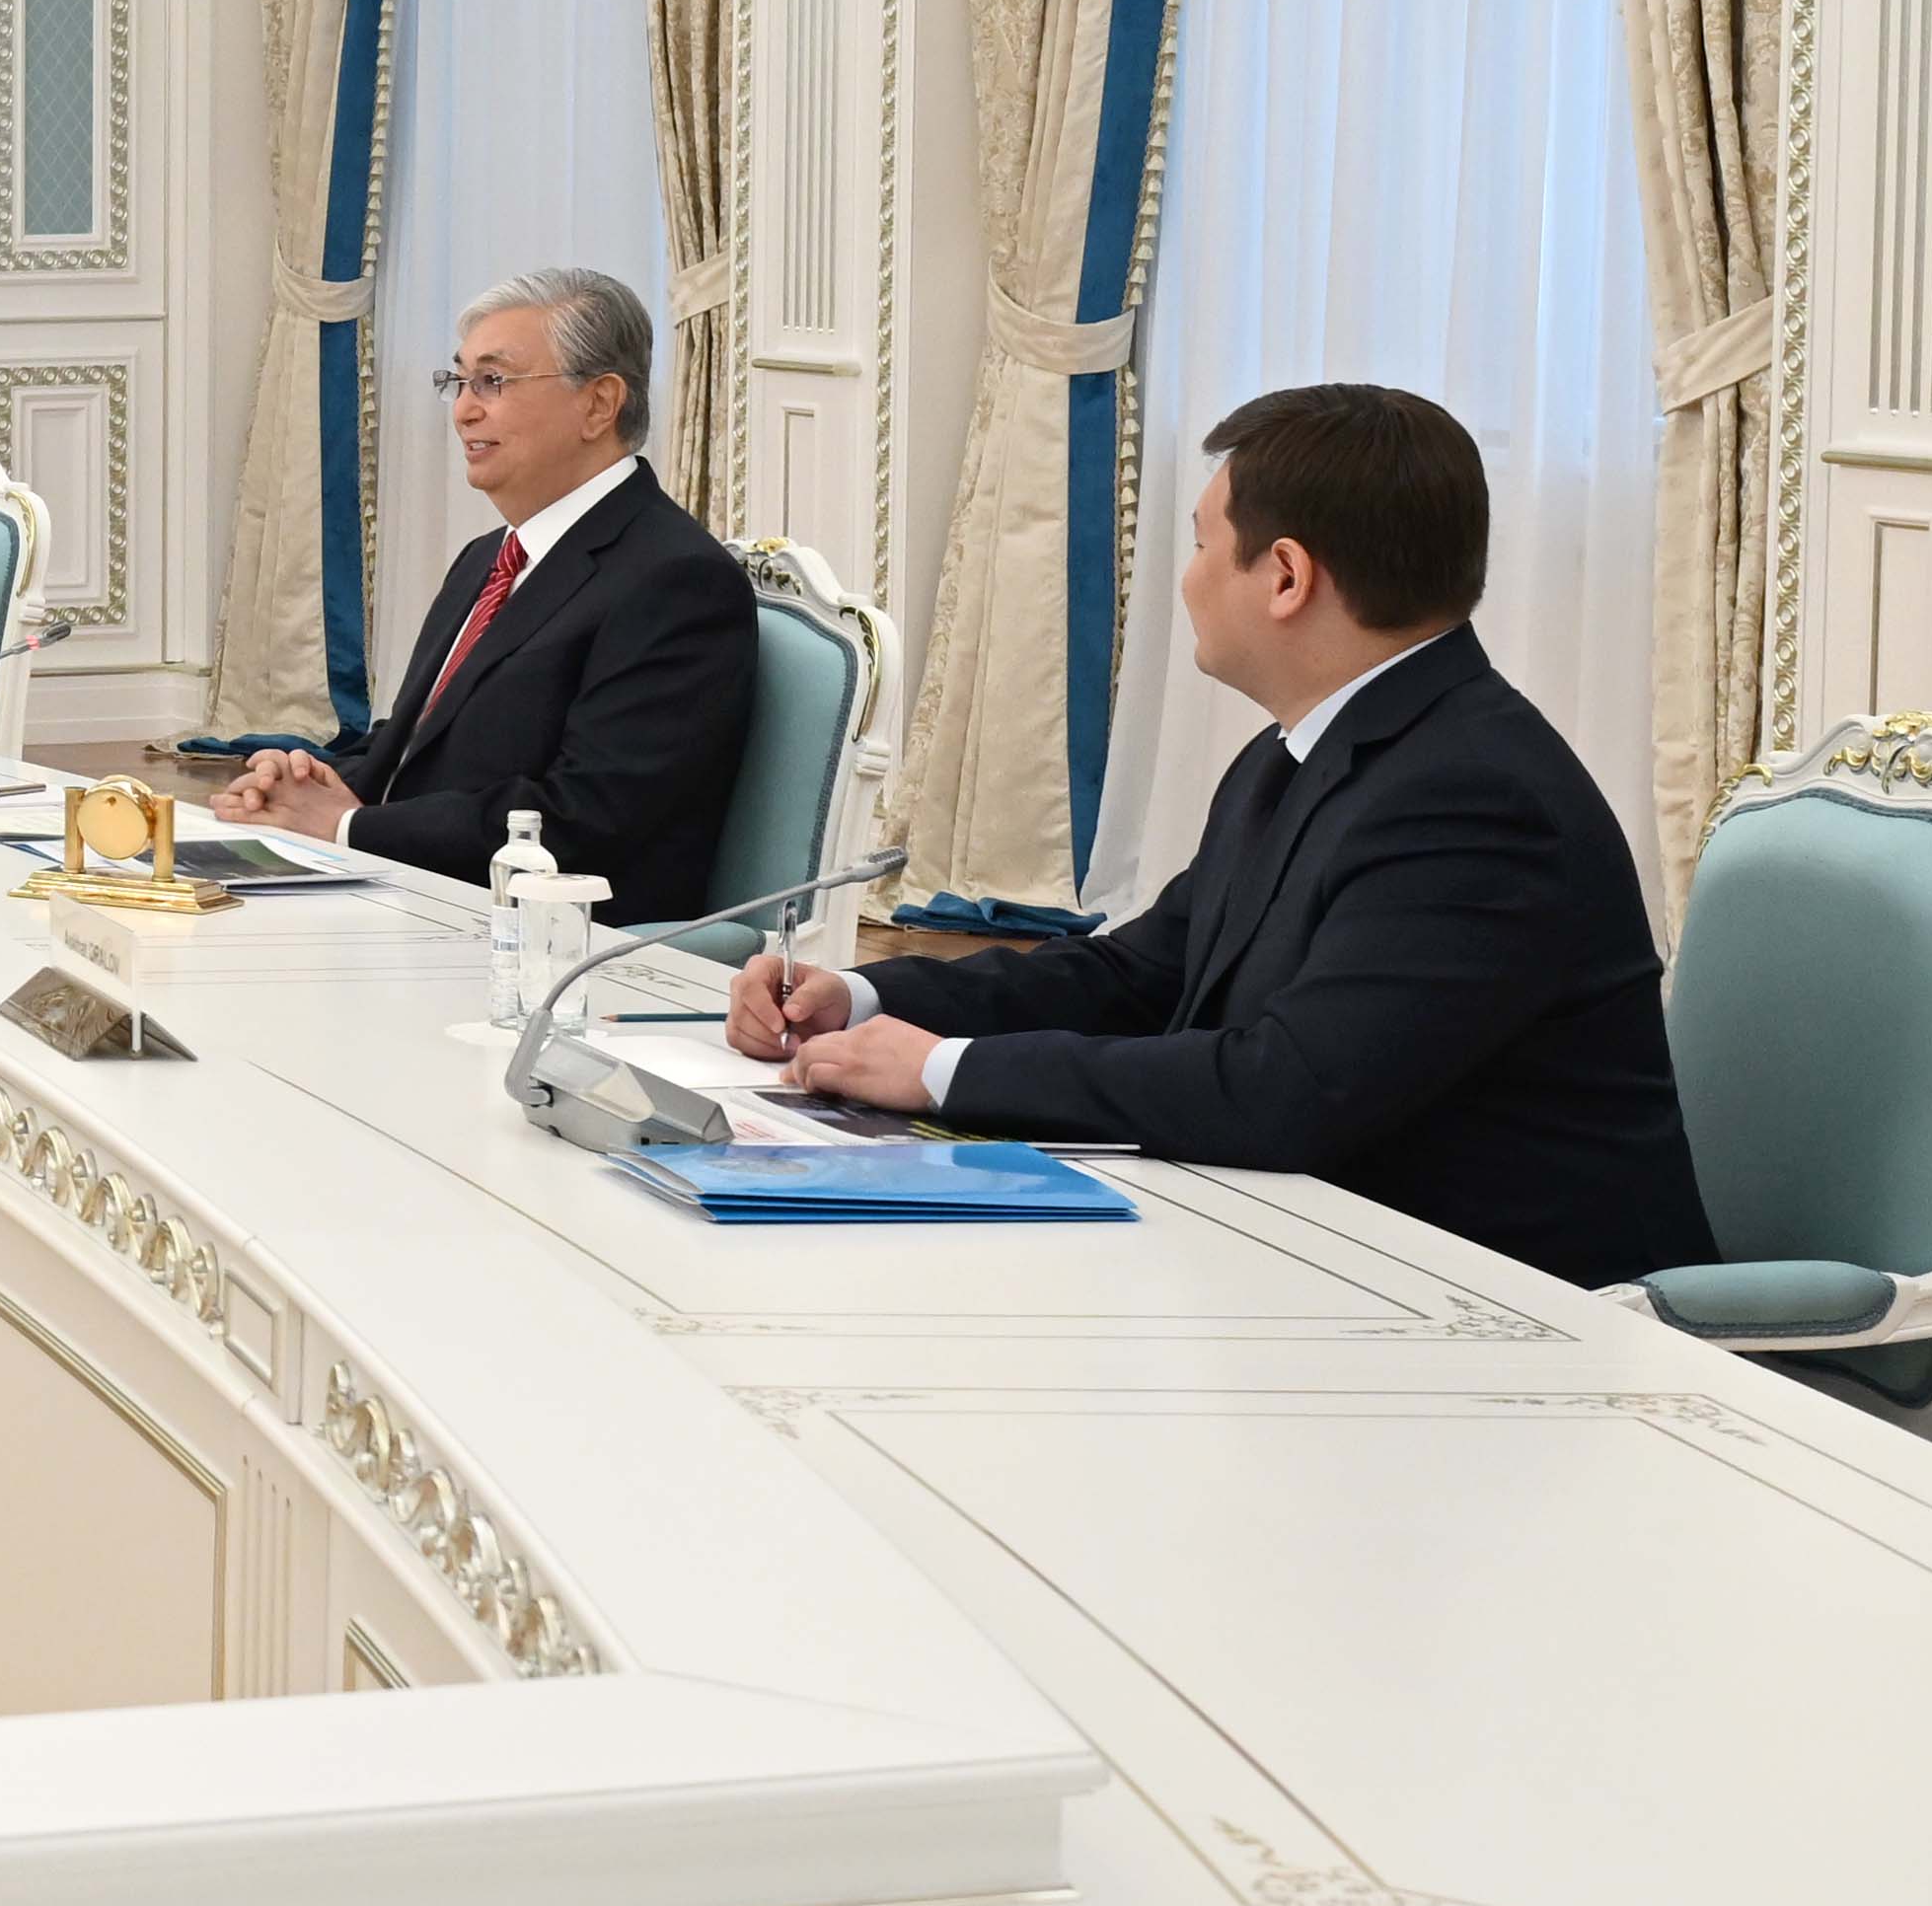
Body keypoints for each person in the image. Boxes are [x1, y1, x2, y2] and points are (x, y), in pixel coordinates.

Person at [727, 383, 1713, 1288]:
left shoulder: (1473, 798)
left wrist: (945, 1070)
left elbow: (1284, 1090)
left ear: (1285, 576)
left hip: (1504, 1311)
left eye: (1202, 545)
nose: (1189, 579)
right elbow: (1139, 977)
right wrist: (863, 997)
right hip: (1324, 1255)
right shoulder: (1308, 750)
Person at [212, 269, 754, 922]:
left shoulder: (675, 580)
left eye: (493, 381)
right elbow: (420, 746)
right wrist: (306, 781)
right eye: (459, 381)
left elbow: (583, 817)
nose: (464, 410)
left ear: (598, 404)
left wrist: (347, 827)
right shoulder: (488, 556)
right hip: (409, 896)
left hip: (540, 938)